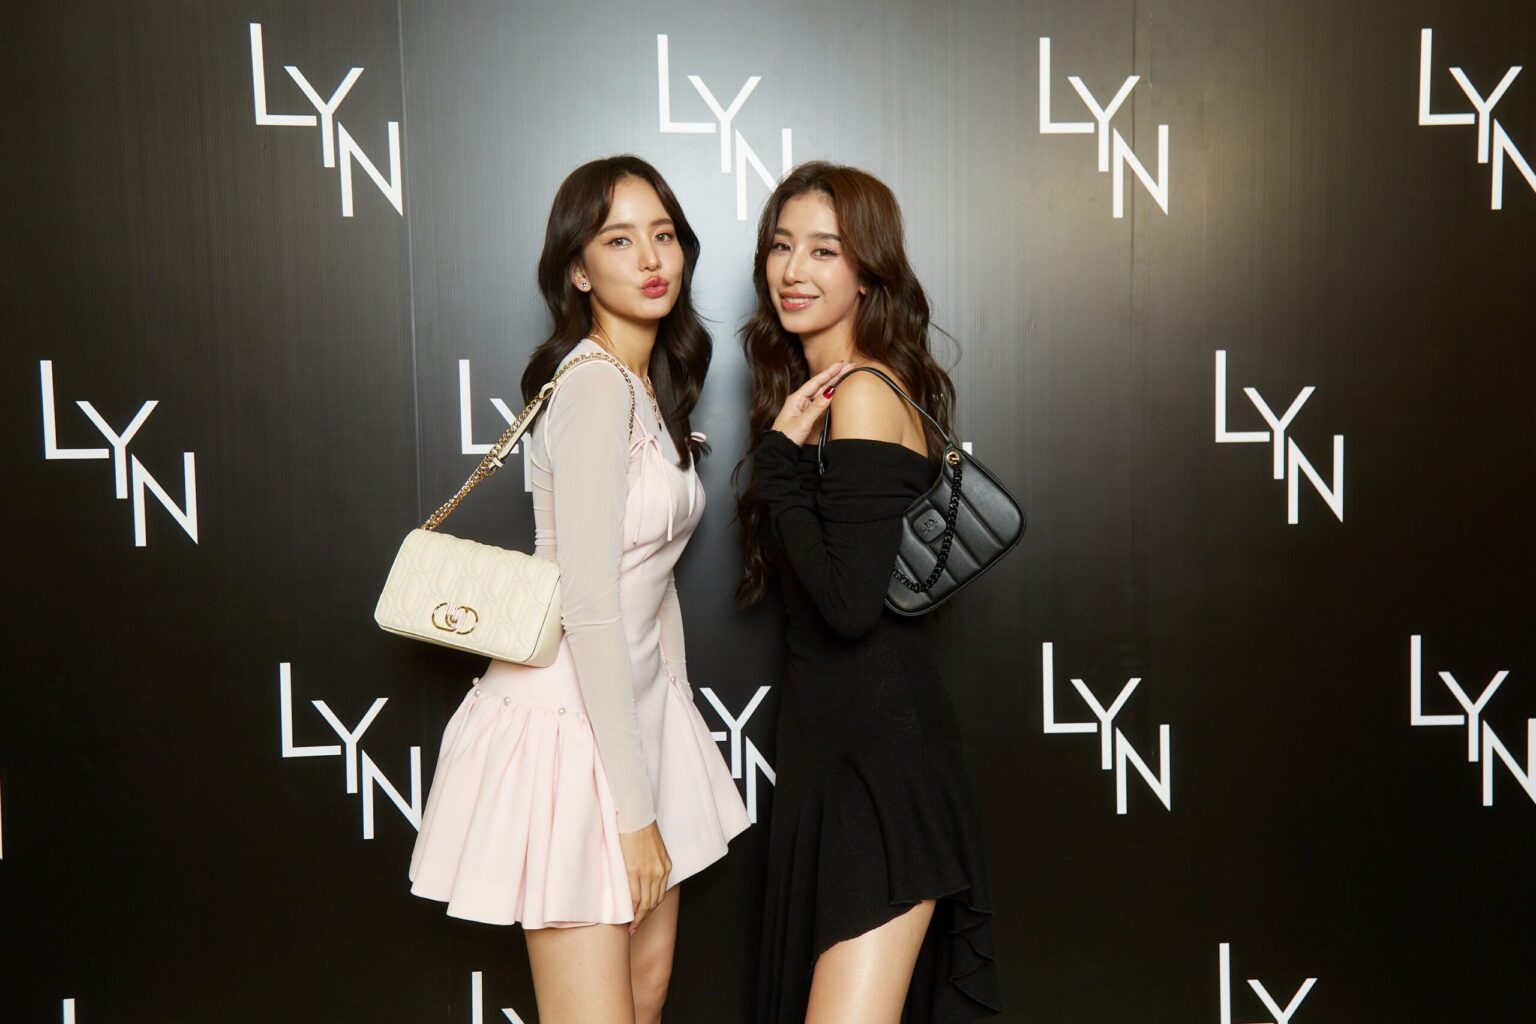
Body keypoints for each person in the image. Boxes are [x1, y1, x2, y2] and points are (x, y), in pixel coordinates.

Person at [409, 155, 749, 1024]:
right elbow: (591, 604)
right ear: (579, 270)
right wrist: (635, 814)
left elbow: (653, 581)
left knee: (646, 992)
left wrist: (672, 729)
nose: (651, 258)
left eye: (663, 235)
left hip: (634, 719)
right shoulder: (594, 386)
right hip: (571, 734)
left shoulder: (643, 388)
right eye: (619, 240)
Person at [736, 162, 1001, 1023]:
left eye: (825, 250)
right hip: (829, 758)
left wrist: (778, 468)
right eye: (782, 246)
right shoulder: (824, 396)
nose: (794, 270)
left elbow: (850, 608)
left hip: (878, 768)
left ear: (867, 272)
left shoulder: (860, 392)